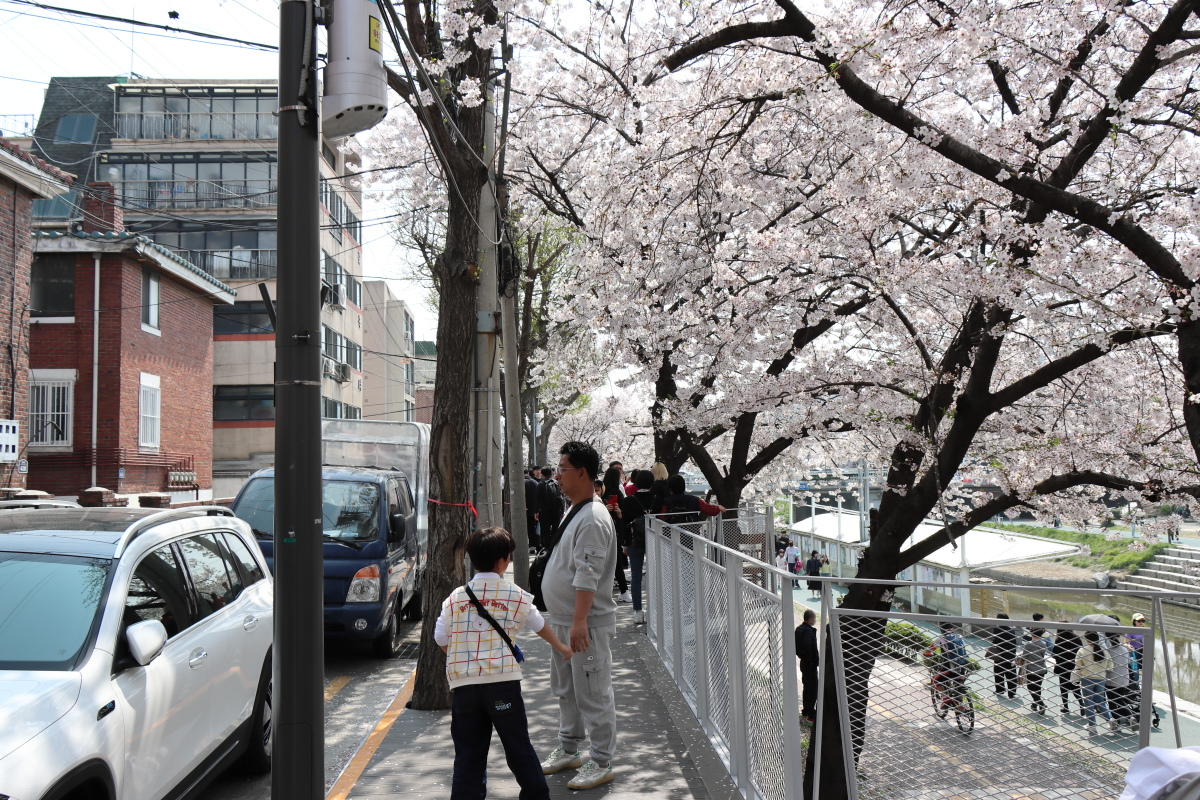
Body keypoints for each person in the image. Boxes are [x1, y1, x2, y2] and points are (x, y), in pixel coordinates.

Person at [434, 527, 574, 800]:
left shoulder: (455, 598)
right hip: (502, 683)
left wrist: (462, 656)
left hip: (464, 686)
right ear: (501, 561)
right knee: (517, 746)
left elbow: (440, 636)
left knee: (468, 754)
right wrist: (561, 647)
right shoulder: (515, 594)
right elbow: (538, 623)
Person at [539, 441, 619, 790]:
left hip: (582, 624)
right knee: (567, 690)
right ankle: (569, 747)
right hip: (564, 620)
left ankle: (601, 760)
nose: (556, 476)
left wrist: (578, 621)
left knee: (593, 692)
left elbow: (588, 573)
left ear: (582, 473)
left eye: (562, 469)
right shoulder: (575, 508)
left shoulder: (592, 517)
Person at [619, 470, 656, 624]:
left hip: (635, 541)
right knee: (655, 577)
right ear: (652, 483)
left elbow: (624, 525)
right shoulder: (657, 500)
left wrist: (624, 544)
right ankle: (655, 610)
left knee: (636, 577)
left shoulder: (628, 501)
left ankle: (638, 612)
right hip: (654, 541)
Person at [1075, 630, 1116, 733]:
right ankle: (1110, 719)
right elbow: (1110, 667)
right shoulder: (1104, 650)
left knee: (1088, 702)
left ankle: (1092, 725)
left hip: (1087, 679)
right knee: (1100, 701)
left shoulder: (1082, 650)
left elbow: (1078, 666)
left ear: (1087, 639)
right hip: (1101, 679)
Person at [924, 621, 970, 715]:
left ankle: (945, 698)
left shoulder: (941, 639)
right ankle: (960, 703)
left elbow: (928, 650)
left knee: (935, 679)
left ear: (941, 630)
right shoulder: (960, 637)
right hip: (962, 667)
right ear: (952, 629)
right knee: (959, 685)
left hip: (949, 668)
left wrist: (926, 654)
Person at [601, 467, 631, 603]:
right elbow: (623, 514)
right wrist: (618, 511)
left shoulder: (601, 492)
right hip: (615, 530)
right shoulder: (618, 492)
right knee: (616, 561)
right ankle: (624, 590)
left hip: (602, 529)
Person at [657, 474, 725, 525]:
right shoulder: (694, 500)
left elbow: (661, 518)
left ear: (670, 490)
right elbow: (709, 509)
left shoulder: (666, 502)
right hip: (691, 536)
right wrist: (718, 507)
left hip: (672, 537)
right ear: (684, 487)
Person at [1053, 622, 1084, 714]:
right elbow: (1081, 651)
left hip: (1062, 667)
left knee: (1063, 688)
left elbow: (1055, 654)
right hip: (1074, 667)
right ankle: (1081, 705)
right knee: (1075, 687)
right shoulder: (1077, 638)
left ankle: (1066, 707)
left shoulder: (1059, 640)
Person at [1020, 627, 1053, 715]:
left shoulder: (1029, 644)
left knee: (1031, 688)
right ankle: (1034, 705)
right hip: (1041, 668)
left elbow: (1024, 656)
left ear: (1031, 634)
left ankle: (1041, 704)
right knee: (1037, 687)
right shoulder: (1043, 643)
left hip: (1031, 669)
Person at [795, 609, 819, 722]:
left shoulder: (799, 629)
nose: (815, 621)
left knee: (807, 687)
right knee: (813, 689)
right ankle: (810, 713)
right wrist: (811, 659)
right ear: (810, 619)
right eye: (814, 619)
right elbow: (807, 644)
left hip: (803, 662)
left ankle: (805, 710)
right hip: (809, 664)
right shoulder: (808, 631)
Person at [1106, 631, 1134, 731]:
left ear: (1108, 639)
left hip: (1112, 680)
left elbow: (1107, 667)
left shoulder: (1108, 651)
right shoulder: (1125, 649)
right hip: (1124, 680)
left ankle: (1116, 723)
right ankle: (1131, 716)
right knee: (1120, 699)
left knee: (1112, 702)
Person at [990, 613, 1018, 699]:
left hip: (999, 654)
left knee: (998, 672)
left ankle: (1000, 689)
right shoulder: (1011, 630)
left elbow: (995, 641)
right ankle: (1012, 692)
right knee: (1011, 674)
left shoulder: (997, 629)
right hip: (1011, 655)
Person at [537, 467, 565, 546]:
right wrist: (562, 511)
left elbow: (537, 499)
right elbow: (561, 498)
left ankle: (546, 547)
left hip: (545, 511)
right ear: (551, 473)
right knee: (556, 529)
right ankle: (555, 546)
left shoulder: (541, 484)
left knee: (545, 530)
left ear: (542, 475)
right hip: (557, 511)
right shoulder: (557, 483)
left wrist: (536, 511)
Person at [525, 468, 542, 549]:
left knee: (529, 528)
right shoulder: (535, 483)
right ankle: (536, 545)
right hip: (534, 509)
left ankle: (534, 545)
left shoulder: (521, 483)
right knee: (533, 528)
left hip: (524, 509)